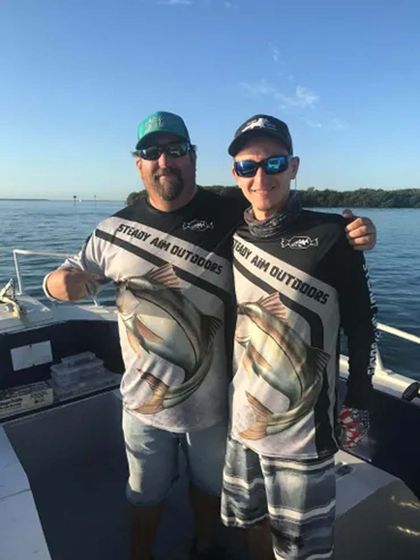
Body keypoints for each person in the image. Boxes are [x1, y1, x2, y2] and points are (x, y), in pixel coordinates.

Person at [43, 111, 376, 560]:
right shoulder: (112, 231)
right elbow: (68, 274)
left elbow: (342, 297)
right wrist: (55, 284)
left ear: (193, 159)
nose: (164, 161)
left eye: (176, 150)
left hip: (218, 405)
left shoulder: (230, 218)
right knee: (145, 492)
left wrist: (355, 231)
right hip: (147, 405)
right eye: (151, 152)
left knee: (211, 491)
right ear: (138, 164)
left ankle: (202, 548)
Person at [220, 114, 378, 560]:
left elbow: (362, 325)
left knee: (300, 552)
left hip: (305, 433)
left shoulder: (333, 234)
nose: (261, 176)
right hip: (243, 421)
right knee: (249, 524)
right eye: (249, 166)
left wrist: (359, 400)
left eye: (274, 163)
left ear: (294, 166)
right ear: (236, 174)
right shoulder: (230, 232)